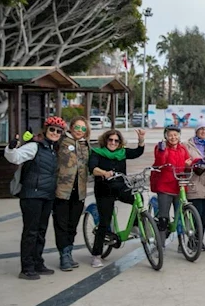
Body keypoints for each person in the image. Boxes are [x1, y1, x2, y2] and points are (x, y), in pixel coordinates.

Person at [4, 116, 67, 280]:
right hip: (32, 195)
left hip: (47, 195)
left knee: (41, 231)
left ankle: (38, 262)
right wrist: (11, 147)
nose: (55, 133)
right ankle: (27, 267)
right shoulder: (34, 147)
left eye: (58, 131)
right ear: (46, 130)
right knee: (30, 232)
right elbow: (14, 157)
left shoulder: (55, 150)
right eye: (52, 129)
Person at [89, 128, 146, 267]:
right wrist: (103, 172)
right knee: (105, 222)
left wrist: (141, 139)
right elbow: (92, 168)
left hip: (121, 187)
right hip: (104, 190)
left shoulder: (122, 153)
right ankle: (96, 255)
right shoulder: (98, 152)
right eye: (110, 140)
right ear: (105, 140)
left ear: (120, 142)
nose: (113, 143)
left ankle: (134, 226)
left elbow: (138, 152)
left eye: (116, 140)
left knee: (138, 198)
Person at [53, 115, 90, 271]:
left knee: (72, 225)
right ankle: (64, 256)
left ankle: (68, 251)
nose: (80, 131)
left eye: (83, 128)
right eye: (77, 127)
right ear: (71, 127)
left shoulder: (86, 145)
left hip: (79, 192)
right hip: (62, 191)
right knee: (61, 224)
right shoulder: (61, 142)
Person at [150, 125, 192, 248]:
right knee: (164, 217)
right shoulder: (160, 147)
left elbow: (187, 164)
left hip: (180, 186)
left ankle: (181, 244)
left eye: (175, 135)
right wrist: (162, 151)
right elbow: (159, 163)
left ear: (179, 136)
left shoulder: (183, 149)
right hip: (165, 187)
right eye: (170, 135)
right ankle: (160, 244)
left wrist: (189, 165)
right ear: (165, 136)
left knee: (181, 216)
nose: (173, 137)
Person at [183, 119, 205, 251]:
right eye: (201, 129)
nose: (204, 131)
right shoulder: (187, 145)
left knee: (203, 216)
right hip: (194, 184)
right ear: (196, 131)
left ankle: (199, 240)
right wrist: (188, 166)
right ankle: (193, 240)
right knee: (195, 214)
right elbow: (183, 162)